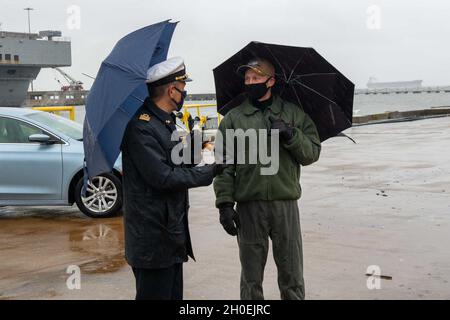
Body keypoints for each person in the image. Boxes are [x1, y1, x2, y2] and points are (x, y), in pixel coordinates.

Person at [213, 58, 321, 300]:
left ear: (271, 81)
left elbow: (312, 153)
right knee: (251, 277)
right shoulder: (233, 119)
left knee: (292, 273)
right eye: (247, 79)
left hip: (285, 206)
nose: (250, 83)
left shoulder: (292, 114)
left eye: (256, 78)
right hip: (249, 207)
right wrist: (224, 204)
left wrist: (291, 134)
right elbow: (224, 165)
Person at [121, 57, 224, 300]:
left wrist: (197, 147)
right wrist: (211, 171)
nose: (185, 93)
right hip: (152, 240)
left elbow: (174, 162)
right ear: (171, 90)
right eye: (183, 88)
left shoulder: (163, 122)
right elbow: (163, 177)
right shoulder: (141, 127)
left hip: (168, 236)